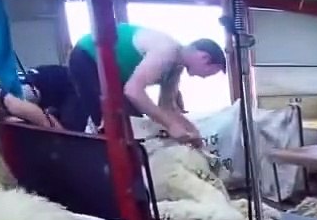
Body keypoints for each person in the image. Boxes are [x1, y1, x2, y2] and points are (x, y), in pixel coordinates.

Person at [66, 25, 225, 143]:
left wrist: (192, 130)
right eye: (209, 72)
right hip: (88, 57)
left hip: (116, 74)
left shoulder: (176, 67)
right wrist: (171, 126)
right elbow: (133, 91)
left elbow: (167, 107)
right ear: (204, 58)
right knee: (114, 127)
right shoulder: (167, 51)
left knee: (134, 126)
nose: (204, 78)